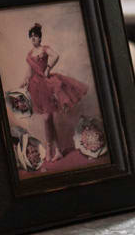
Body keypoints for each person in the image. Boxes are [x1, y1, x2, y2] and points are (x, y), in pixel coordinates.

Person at [19, 23, 87, 163]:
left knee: (47, 118)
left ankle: (50, 148)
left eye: (36, 36)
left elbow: (56, 55)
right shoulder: (30, 54)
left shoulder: (45, 49)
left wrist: (48, 68)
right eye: (31, 37)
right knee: (48, 120)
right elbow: (29, 71)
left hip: (46, 85)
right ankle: (56, 150)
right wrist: (25, 81)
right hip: (35, 87)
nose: (33, 39)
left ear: (40, 38)